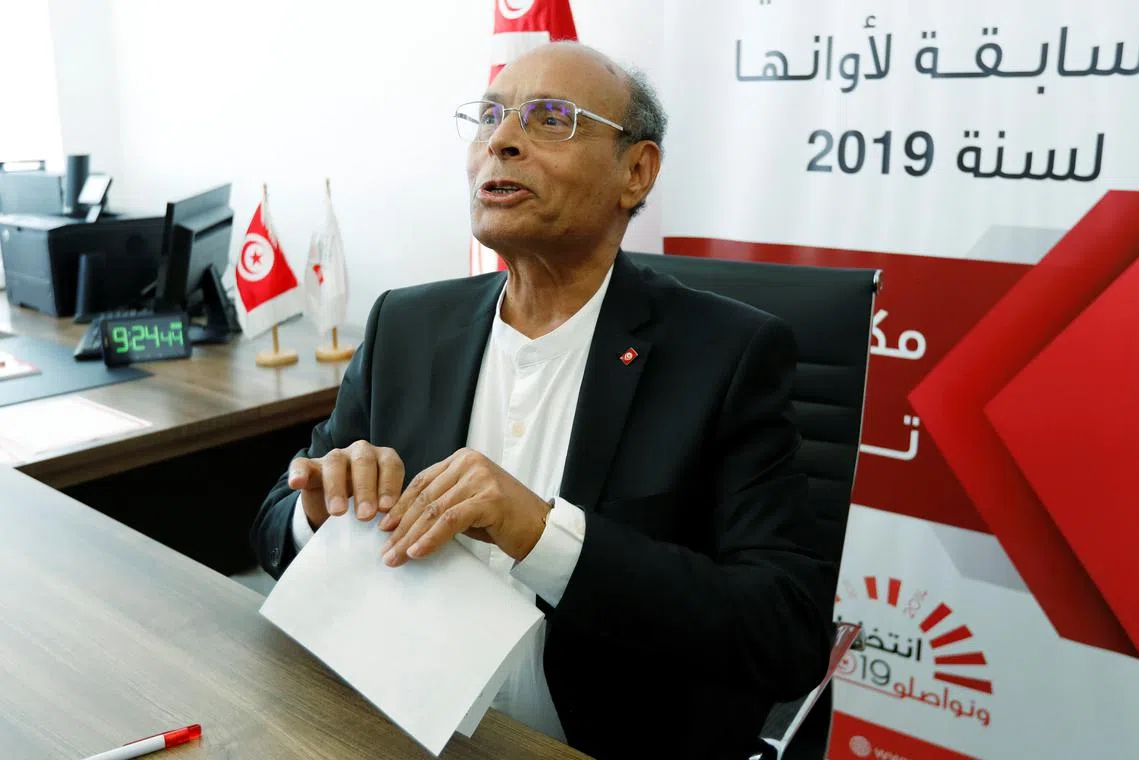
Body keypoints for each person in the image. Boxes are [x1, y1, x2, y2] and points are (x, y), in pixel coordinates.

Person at [252, 42, 834, 760]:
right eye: (490, 117)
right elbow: (274, 528)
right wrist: (317, 508)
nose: (500, 141)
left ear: (636, 170)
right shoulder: (405, 324)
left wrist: (542, 533)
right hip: (391, 724)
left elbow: (787, 632)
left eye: (551, 118)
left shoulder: (728, 355)